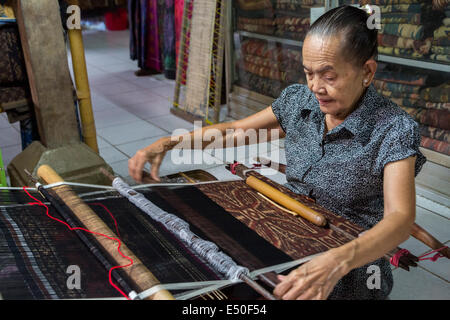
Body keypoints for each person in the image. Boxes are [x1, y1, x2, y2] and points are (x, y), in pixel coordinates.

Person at [128, 5, 426, 300]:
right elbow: (235, 131)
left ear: (367, 72)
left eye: (329, 76)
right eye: (309, 73)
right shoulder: (300, 102)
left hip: (349, 265)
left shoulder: (394, 129)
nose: (315, 86)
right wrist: (169, 143)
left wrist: (337, 261)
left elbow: (399, 219)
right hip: (287, 240)